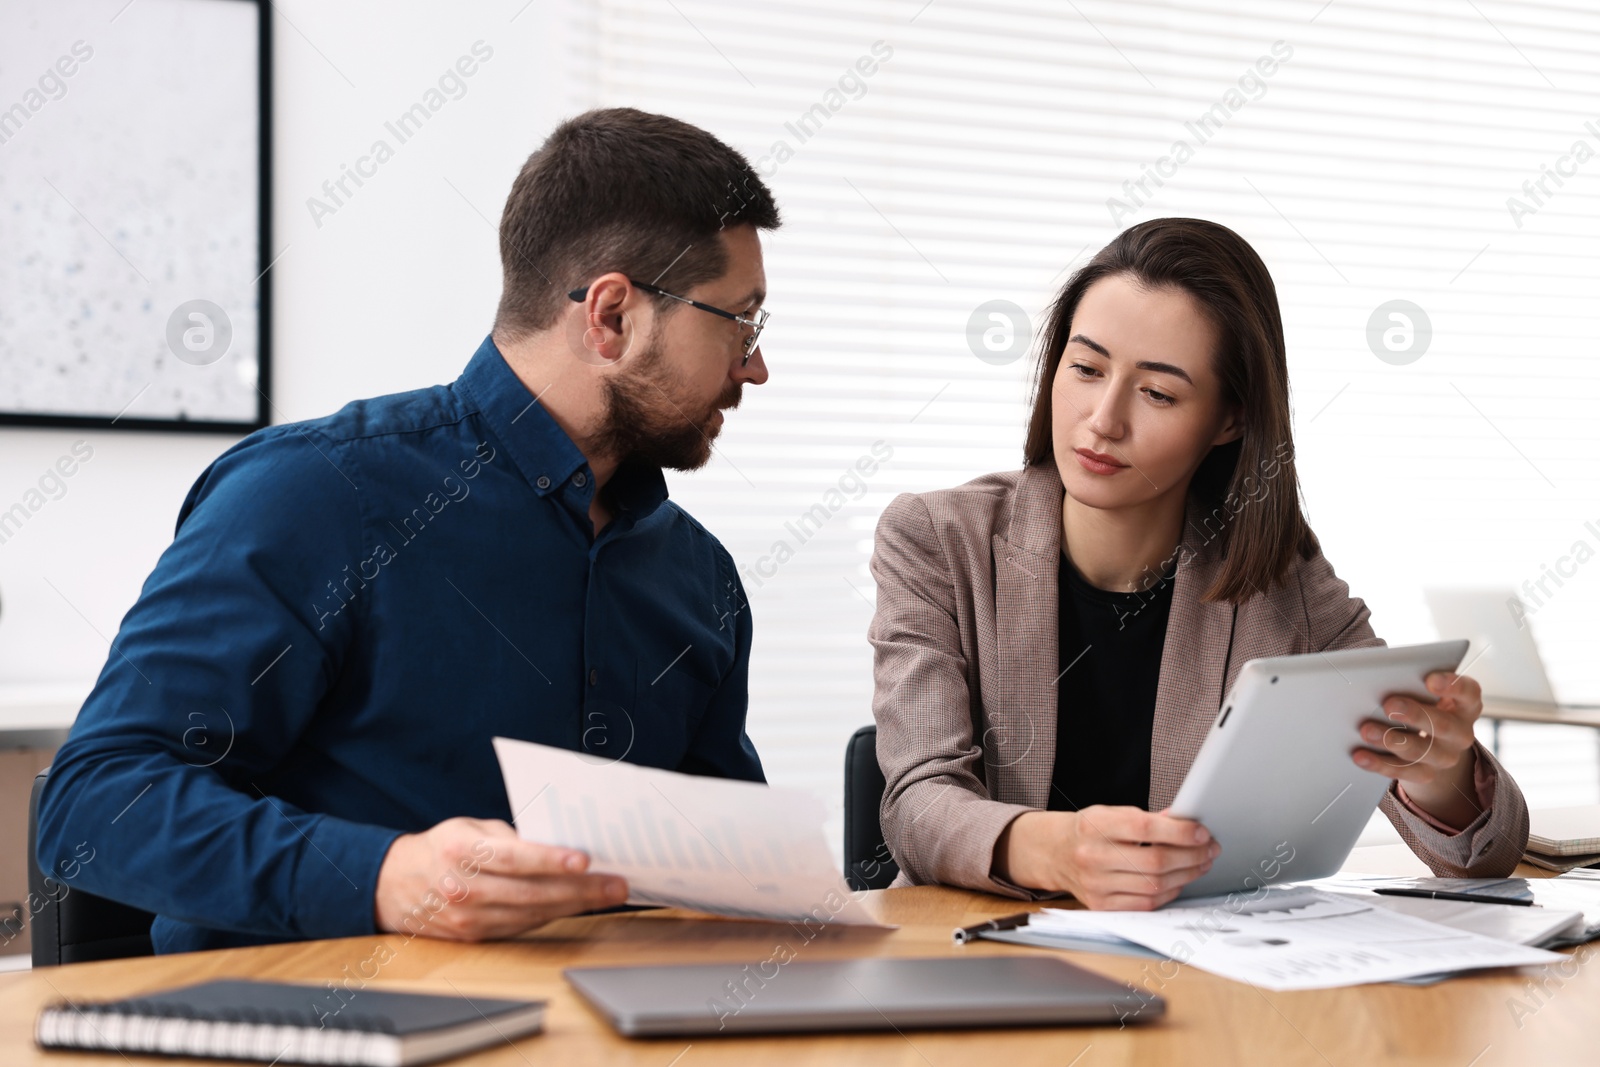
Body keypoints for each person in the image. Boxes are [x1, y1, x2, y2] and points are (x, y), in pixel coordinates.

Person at [36, 108, 780, 952]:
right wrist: (386, 878)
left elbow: (725, 871)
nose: (755, 365)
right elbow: (97, 801)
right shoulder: (313, 495)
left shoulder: (700, 576)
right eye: (740, 321)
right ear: (610, 315)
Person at [868, 218, 1528, 910]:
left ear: (1230, 420)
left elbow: (1487, 854)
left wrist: (1437, 771)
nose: (1102, 419)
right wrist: (1056, 850)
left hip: (1201, 976)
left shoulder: (1281, 576)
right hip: (983, 960)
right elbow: (918, 803)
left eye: (1157, 392)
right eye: (1086, 369)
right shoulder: (936, 540)